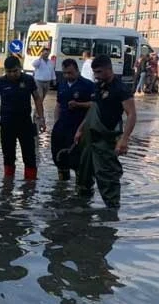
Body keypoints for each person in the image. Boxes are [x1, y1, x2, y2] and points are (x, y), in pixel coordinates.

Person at [73, 55, 137, 208]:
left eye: (99, 72)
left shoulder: (120, 88)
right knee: (83, 172)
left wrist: (124, 139)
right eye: (94, 72)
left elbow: (132, 114)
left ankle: (112, 213)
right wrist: (80, 129)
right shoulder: (98, 86)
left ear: (110, 69)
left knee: (107, 175)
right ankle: (82, 210)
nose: (96, 75)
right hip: (89, 136)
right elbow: (94, 109)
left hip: (106, 138)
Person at [0, 56, 46, 180]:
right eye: (9, 71)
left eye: (15, 71)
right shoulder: (1, 82)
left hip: (25, 124)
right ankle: (7, 187)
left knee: (29, 157)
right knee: (8, 157)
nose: (12, 74)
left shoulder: (28, 80)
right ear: (5, 70)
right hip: (7, 124)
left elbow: (37, 99)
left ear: (20, 69)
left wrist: (41, 118)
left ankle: (30, 188)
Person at [51, 59, 95, 181]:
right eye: (65, 73)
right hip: (62, 126)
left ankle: (81, 190)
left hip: (79, 127)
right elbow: (58, 104)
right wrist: (56, 122)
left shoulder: (88, 85)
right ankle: (62, 187)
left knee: (79, 160)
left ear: (77, 71)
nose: (67, 76)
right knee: (60, 158)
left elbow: (95, 105)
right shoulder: (62, 84)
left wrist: (79, 105)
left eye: (70, 73)